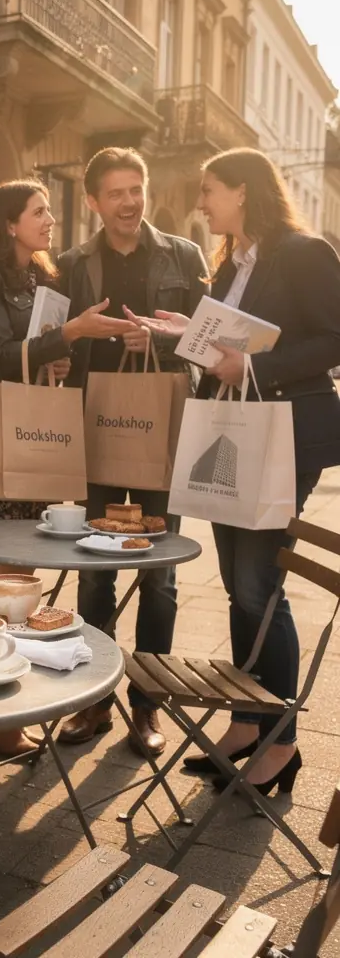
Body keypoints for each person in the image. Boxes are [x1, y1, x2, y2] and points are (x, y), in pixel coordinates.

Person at [130, 147, 340, 794]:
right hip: (230, 435)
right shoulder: (229, 267)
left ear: (244, 192)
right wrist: (180, 332)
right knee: (235, 586)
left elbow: (334, 340)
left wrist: (253, 368)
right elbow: (223, 344)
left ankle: (282, 741)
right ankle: (247, 723)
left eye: (210, 190)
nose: (201, 202)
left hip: (282, 436)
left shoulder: (305, 253)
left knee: (259, 588)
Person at [0, 179, 135, 756]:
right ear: (9, 223)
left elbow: (36, 353)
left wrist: (62, 352)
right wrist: (69, 334)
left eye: (50, 211)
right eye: (39, 211)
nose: (50, 219)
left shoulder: (40, 280)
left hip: (31, 424)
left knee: (23, 585)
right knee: (2, 587)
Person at [56, 148, 209, 757]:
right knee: (94, 570)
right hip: (93, 425)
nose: (128, 202)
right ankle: (94, 702)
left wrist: (165, 340)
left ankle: (147, 707)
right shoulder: (71, 264)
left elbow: (207, 340)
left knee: (159, 575)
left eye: (135, 189)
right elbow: (56, 339)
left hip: (158, 425)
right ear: (93, 200)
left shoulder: (184, 255)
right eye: (115, 192)